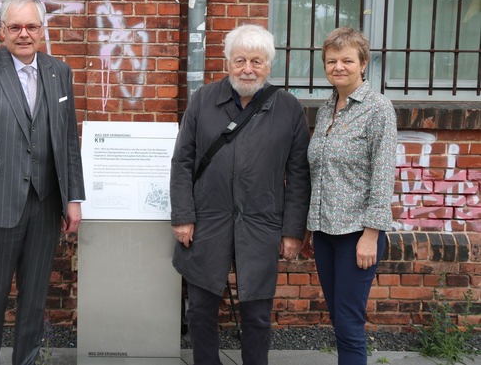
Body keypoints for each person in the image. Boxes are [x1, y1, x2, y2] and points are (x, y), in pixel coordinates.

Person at [0, 0, 85, 365]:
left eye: (31, 26)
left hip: (45, 204)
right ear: (2, 31)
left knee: (34, 298)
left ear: (42, 31)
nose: (23, 34)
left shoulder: (59, 72)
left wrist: (73, 197)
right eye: (15, 27)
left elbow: (67, 141)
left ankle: (26, 359)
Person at [170, 24, 311, 365]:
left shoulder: (288, 108)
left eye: (256, 61)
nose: (248, 69)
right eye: (240, 60)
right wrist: (183, 216)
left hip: (262, 221)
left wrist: (292, 231)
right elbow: (182, 161)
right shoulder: (204, 99)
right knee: (201, 308)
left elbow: (298, 174)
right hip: (207, 220)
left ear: (269, 66)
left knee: (257, 313)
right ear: (228, 62)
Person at [306, 27, 397, 365]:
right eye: (332, 60)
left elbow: (383, 174)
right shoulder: (327, 109)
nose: (338, 66)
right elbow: (319, 171)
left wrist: (371, 235)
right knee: (338, 318)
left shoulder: (378, 109)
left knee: (349, 323)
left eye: (347, 60)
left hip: (356, 236)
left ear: (363, 64)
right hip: (325, 233)